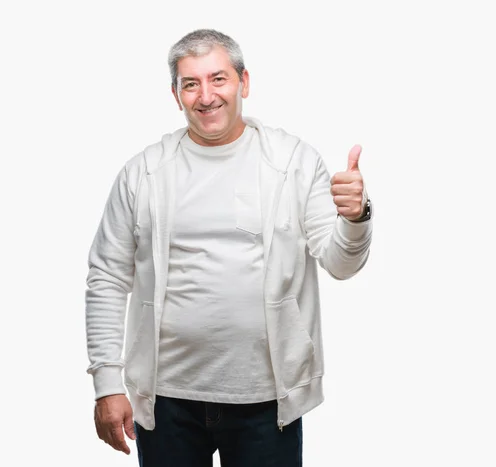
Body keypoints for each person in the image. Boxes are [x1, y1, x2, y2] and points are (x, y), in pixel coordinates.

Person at [85, 28, 373, 467]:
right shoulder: (143, 172)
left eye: (218, 79)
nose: (206, 96)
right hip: (165, 401)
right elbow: (107, 276)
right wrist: (107, 384)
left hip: (267, 399)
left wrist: (355, 218)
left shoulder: (293, 161)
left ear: (244, 83)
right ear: (176, 94)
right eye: (191, 83)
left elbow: (339, 263)